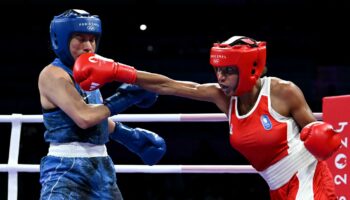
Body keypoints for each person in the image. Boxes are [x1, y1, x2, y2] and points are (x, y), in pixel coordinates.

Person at [73, 35, 342, 199]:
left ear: (249, 68)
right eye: (217, 70)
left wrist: (322, 136)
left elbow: (318, 134)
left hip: (308, 179)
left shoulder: (283, 91)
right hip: (276, 186)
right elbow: (168, 85)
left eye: (228, 71)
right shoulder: (223, 96)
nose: (220, 78)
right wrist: (116, 70)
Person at [38, 9, 166, 199]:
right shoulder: (53, 74)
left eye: (92, 39)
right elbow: (84, 117)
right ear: (60, 40)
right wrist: (126, 97)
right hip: (65, 167)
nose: (88, 46)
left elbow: (96, 115)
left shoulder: (90, 74)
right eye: (80, 39)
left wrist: (129, 136)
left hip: (101, 166)